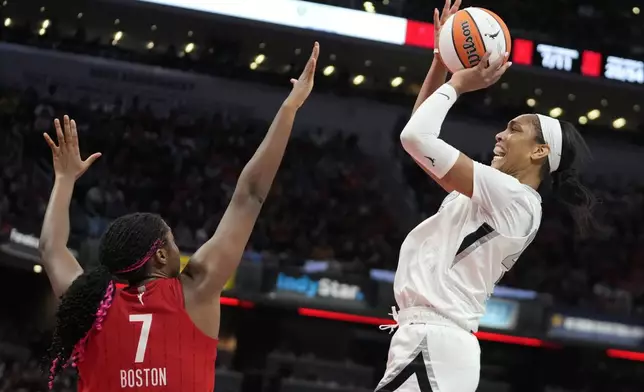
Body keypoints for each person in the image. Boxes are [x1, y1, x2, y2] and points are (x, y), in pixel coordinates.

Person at [40, 42, 320, 391]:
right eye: (171, 240)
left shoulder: (92, 303)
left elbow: (52, 248)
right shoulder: (196, 289)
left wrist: (65, 180)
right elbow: (249, 195)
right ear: (159, 254)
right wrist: (289, 108)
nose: (178, 248)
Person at [375, 2, 594, 391]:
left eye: (513, 130)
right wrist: (441, 62)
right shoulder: (498, 193)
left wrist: (458, 84)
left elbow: (414, 138)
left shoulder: (516, 198)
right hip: (431, 340)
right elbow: (418, 134)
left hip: (434, 342)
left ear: (539, 152)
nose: (500, 135)